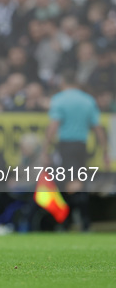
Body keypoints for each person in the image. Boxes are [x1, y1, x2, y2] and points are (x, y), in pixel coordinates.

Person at [43, 70, 110, 231]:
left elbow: (53, 126)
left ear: (63, 83)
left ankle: (68, 222)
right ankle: (84, 220)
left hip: (66, 145)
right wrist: (105, 151)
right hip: (81, 146)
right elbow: (98, 128)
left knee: (69, 183)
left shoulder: (59, 99)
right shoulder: (88, 100)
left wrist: (45, 149)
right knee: (79, 180)